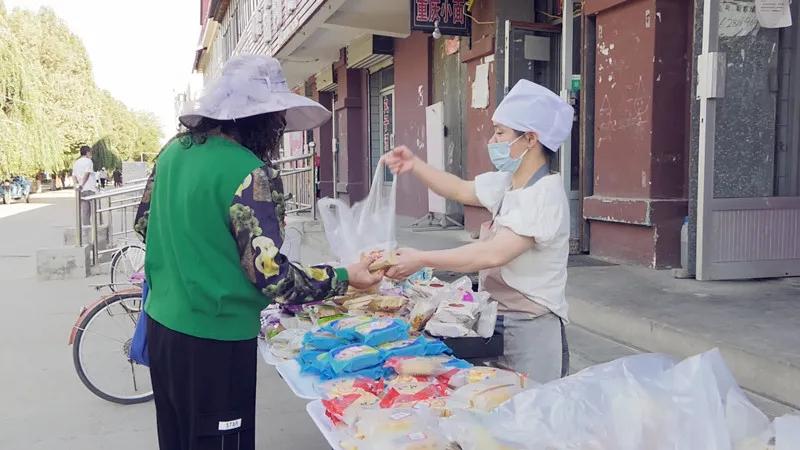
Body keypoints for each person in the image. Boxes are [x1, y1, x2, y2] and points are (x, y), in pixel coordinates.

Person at [133, 55, 384, 450]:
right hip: (215, 340)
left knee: (178, 437)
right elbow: (274, 277)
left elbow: (144, 224)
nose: (279, 129)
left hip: (163, 328)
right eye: (277, 119)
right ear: (259, 120)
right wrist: (344, 276)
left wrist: (193, 254)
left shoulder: (171, 153)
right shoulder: (249, 172)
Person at [383, 79, 574, 383]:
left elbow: (492, 253)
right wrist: (415, 165)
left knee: (530, 410)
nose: (492, 140)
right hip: (495, 316)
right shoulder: (508, 182)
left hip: (531, 326)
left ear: (530, 139)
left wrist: (421, 258)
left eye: (501, 132)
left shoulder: (544, 194)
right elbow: (459, 188)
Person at [71, 146, 96, 225]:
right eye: (90, 152)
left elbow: (74, 175)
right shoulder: (89, 161)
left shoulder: (76, 162)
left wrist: (76, 185)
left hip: (81, 190)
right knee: (93, 211)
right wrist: (82, 184)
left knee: (85, 212)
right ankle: (93, 230)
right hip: (90, 189)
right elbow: (87, 174)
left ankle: (86, 229)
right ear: (87, 152)